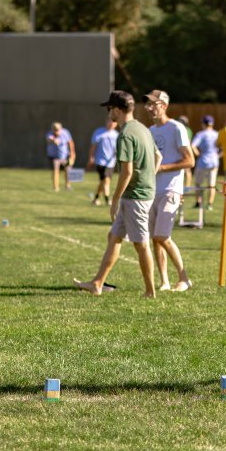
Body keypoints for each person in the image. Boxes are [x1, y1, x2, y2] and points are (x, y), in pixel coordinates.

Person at [74, 91, 160, 298]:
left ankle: (150, 291)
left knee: (141, 245)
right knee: (114, 237)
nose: (108, 112)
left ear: (118, 110)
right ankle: (97, 283)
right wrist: (149, 177)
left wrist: (114, 200)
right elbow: (158, 156)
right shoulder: (142, 128)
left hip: (136, 197)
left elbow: (127, 172)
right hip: (139, 193)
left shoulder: (126, 134)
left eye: (109, 108)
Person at [144, 89, 194, 292]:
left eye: (153, 104)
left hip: (171, 189)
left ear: (163, 106)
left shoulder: (176, 128)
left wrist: (162, 168)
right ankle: (164, 281)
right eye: (147, 104)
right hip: (152, 190)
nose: (149, 108)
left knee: (162, 236)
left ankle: (184, 278)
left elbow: (189, 160)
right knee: (155, 239)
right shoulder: (150, 131)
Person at [88, 116, 119, 206]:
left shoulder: (116, 135)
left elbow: (118, 149)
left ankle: (96, 198)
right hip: (100, 161)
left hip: (111, 162)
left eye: (113, 122)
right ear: (106, 121)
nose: (111, 123)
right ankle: (107, 200)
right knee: (106, 180)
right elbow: (93, 146)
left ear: (116, 124)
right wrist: (91, 157)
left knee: (104, 181)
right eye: (109, 121)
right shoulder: (99, 132)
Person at [191, 115, 220, 210]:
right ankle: (210, 204)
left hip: (203, 161)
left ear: (203, 124)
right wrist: (218, 156)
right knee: (212, 184)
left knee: (198, 184)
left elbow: (193, 146)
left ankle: (198, 202)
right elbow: (223, 148)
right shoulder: (217, 134)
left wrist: (198, 154)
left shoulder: (201, 134)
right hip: (214, 162)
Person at [46, 122, 75, 192]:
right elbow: (49, 139)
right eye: (55, 130)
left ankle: (68, 186)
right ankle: (56, 187)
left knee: (68, 171)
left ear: (61, 129)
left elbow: (70, 143)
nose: (56, 131)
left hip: (65, 156)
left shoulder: (65, 133)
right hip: (54, 157)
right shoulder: (50, 134)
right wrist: (53, 140)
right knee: (56, 171)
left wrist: (72, 153)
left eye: (57, 130)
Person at [177, 114, 195, 191]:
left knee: (187, 170)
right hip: (182, 151)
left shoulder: (186, 130)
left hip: (185, 151)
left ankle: (187, 186)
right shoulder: (186, 130)